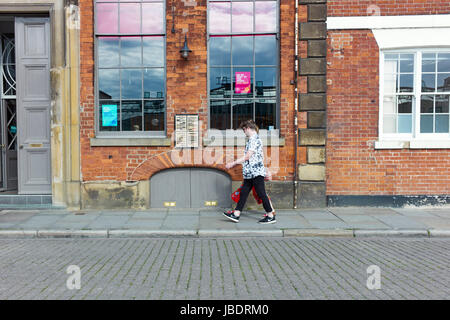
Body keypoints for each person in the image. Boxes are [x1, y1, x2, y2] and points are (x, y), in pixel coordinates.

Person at [223, 120, 276, 224]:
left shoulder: (254, 140)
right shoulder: (253, 140)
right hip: (250, 173)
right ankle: (236, 214)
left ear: (248, 128)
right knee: (243, 193)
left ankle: (270, 215)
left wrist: (233, 163)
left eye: (244, 130)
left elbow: (248, 156)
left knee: (261, 193)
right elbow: (259, 157)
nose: (244, 132)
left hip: (255, 172)